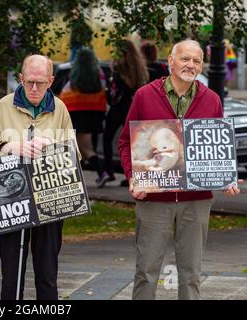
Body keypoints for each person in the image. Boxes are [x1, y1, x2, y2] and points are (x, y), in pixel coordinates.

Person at [118, 39, 241, 300]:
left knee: (191, 274)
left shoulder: (212, 100)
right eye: (185, 59)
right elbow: (126, 143)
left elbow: (217, 145)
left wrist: (226, 176)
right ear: (170, 61)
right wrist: (132, 178)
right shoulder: (145, 95)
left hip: (196, 200)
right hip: (154, 197)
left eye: (196, 61)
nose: (190, 65)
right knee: (146, 271)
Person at [0, 54, 77, 300]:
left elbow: (75, 156)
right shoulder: (4, 105)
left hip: (50, 197)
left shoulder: (60, 108)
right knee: (11, 272)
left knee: (47, 271)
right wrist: (9, 147)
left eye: (40, 83)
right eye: (28, 81)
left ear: (51, 81)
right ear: (20, 78)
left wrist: (51, 146)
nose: (33, 88)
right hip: (12, 201)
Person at [96, 39, 149, 188]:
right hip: (133, 107)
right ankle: (133, 175)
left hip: (118, 107)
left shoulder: (119, 66)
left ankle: (109, 170)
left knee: (108, 138)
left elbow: (114, 91)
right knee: (135, 143)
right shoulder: (140, 67)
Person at [59, 47, 107, 177]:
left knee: (84, 147)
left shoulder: (73, 72)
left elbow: (62, 91)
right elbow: (104, 89)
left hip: (75, 111)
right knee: (81, 146)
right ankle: (76, 174)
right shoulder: (99, 73)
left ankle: (102, 173)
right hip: (95, 112)